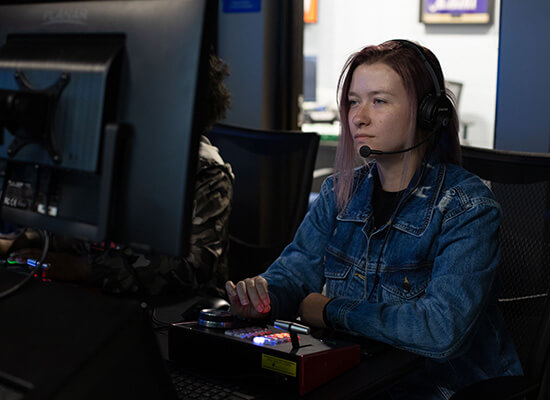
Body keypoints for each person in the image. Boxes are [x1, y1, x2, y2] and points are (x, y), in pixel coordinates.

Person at [225, 40, 522, 399]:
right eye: (353, 101)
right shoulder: (339, 193)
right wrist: (261, 296)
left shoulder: (466, 206)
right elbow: (295, 273)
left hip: (445, 390)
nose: (358, 117)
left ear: (428, 113)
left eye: (378, 101)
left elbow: (441, 330)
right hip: (361, 379)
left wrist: (332, 310)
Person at [1, 53, 234, 299]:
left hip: (172, 319)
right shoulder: (114, 153)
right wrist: (18, 243)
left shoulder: (206, 172)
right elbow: (77, 233)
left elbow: (187, 271)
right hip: (99, 302)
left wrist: (82, 269)